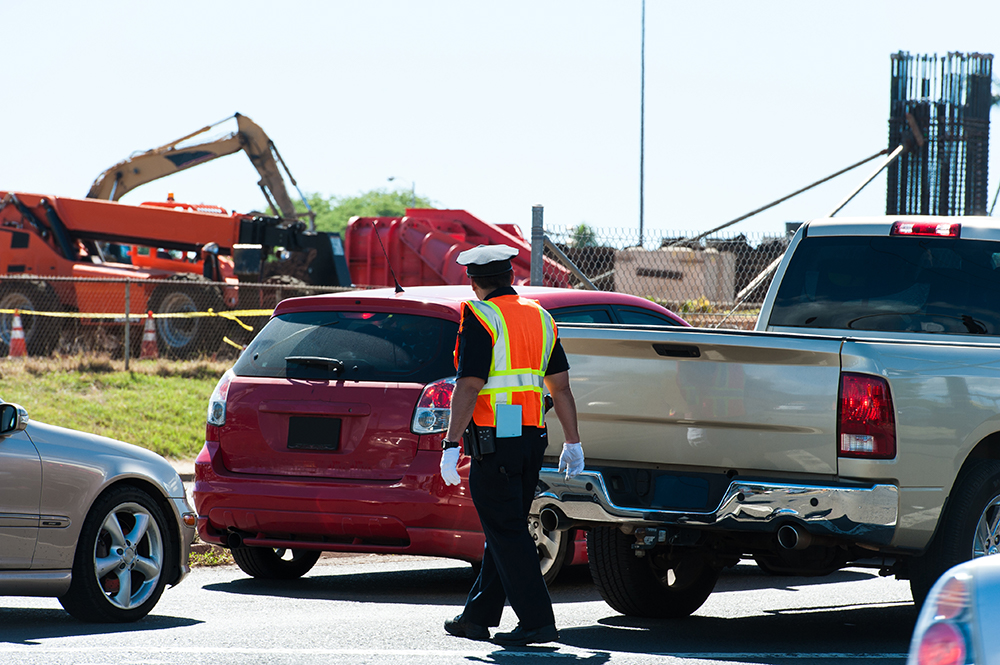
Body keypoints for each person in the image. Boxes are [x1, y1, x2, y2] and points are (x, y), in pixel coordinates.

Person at [439, 244, 585, 647]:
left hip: (494, 442)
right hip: (531, 438)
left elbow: (468, 385)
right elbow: (562, 387)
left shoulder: (481, 316)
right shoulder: (540, 316)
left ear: (473, 281)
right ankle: (478, 616)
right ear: (509, 277)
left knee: (505, 530)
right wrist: (573, 442)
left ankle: (537, 621)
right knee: (504, 529)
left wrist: (451, 443)